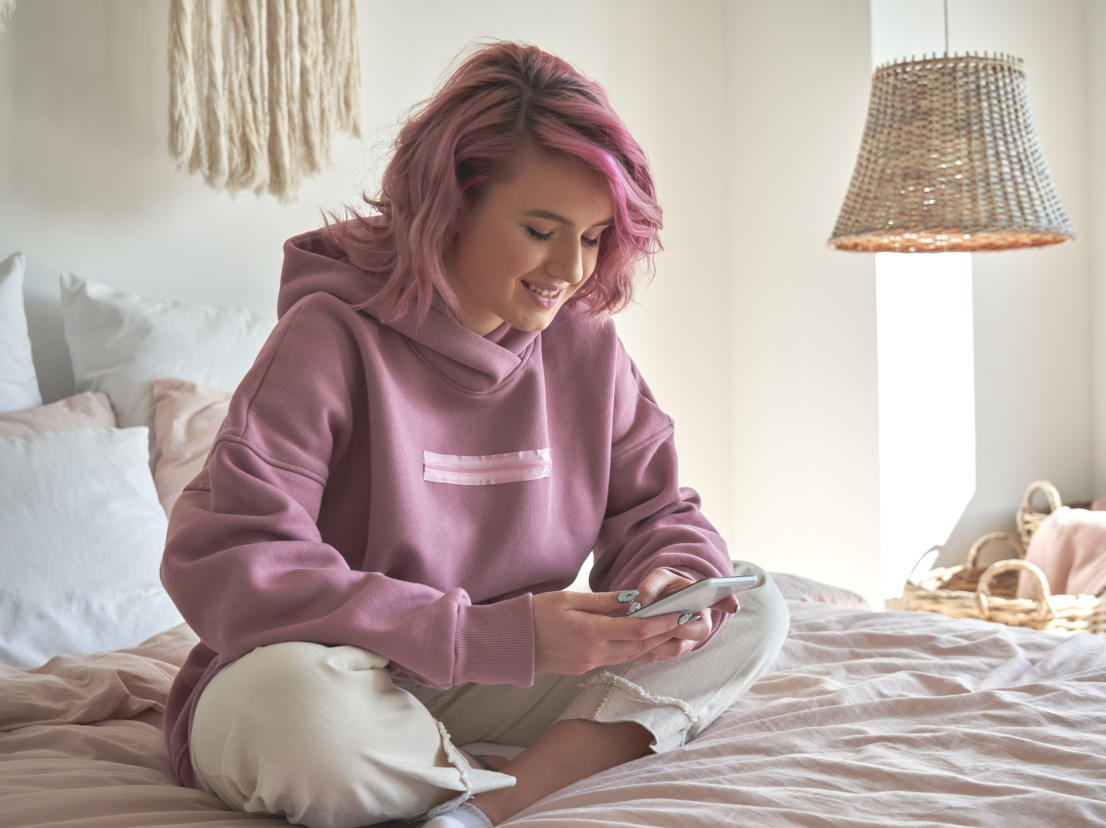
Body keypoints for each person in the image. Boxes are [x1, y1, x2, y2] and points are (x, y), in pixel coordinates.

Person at [160, 40, 789, 828]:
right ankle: (444, 772)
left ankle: (482, 807)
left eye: (594, 237)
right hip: (332, 672)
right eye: (541, 229)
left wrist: (673, 581)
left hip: (499, 676)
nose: (571, 268)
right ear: (452, 204)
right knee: (296, 712)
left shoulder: (584, 345)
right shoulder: (328, 338)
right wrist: (480, 636)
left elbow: (658, 512)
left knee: (754, 605)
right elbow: (233, 562)